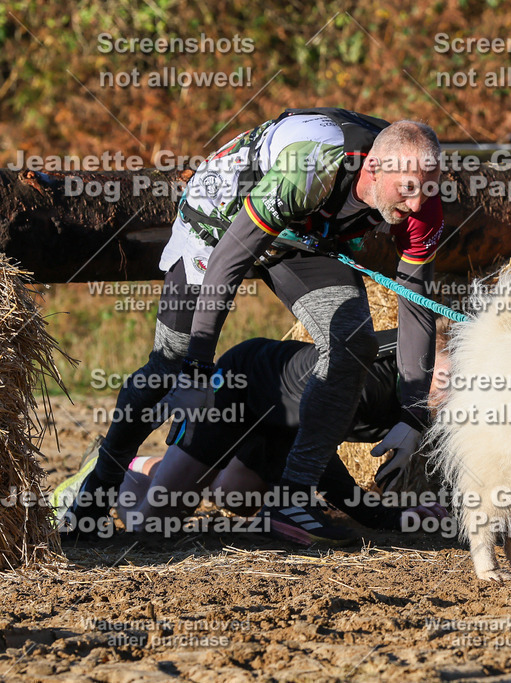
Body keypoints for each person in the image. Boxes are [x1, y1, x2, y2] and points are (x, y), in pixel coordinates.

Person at [62, 108, 444, 541]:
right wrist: (198, 369)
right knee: (168, 366)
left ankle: (293, 500)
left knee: (352, 345)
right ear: (373, 168)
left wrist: (414, 414)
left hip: (298, 236)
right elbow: (230, 259)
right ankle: (92, 497)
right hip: (222, 223)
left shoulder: (423, 201)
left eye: (427, 191)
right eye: (408, 190)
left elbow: (416, 302)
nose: (417, 204)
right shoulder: (311, 166)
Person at [55, 327, 449, 545]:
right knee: (152, 527)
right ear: (425, 359)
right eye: (447, 376)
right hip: (241, 388)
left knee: (236, 498)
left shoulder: (431, 408)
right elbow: (316, 450)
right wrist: (380, 515)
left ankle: (174, 469)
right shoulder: (377, 380)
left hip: (279, 422)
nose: (454, 390)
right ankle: (118, 467)